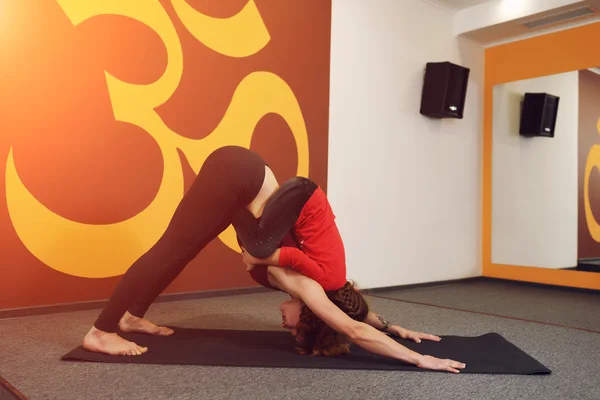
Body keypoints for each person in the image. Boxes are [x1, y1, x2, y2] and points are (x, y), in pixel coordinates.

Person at [82, 146, 465, 373]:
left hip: (242, 176)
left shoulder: (320, 287)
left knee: (183, 250)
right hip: (239, 174)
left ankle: (132, 316)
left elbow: (350, 308)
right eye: (298, 330)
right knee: (171, 250)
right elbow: (352, 329)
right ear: (313, 315)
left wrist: (395, 326)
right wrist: (419, 359)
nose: (286, 327)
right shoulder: (305, 285)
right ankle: (101, 331)